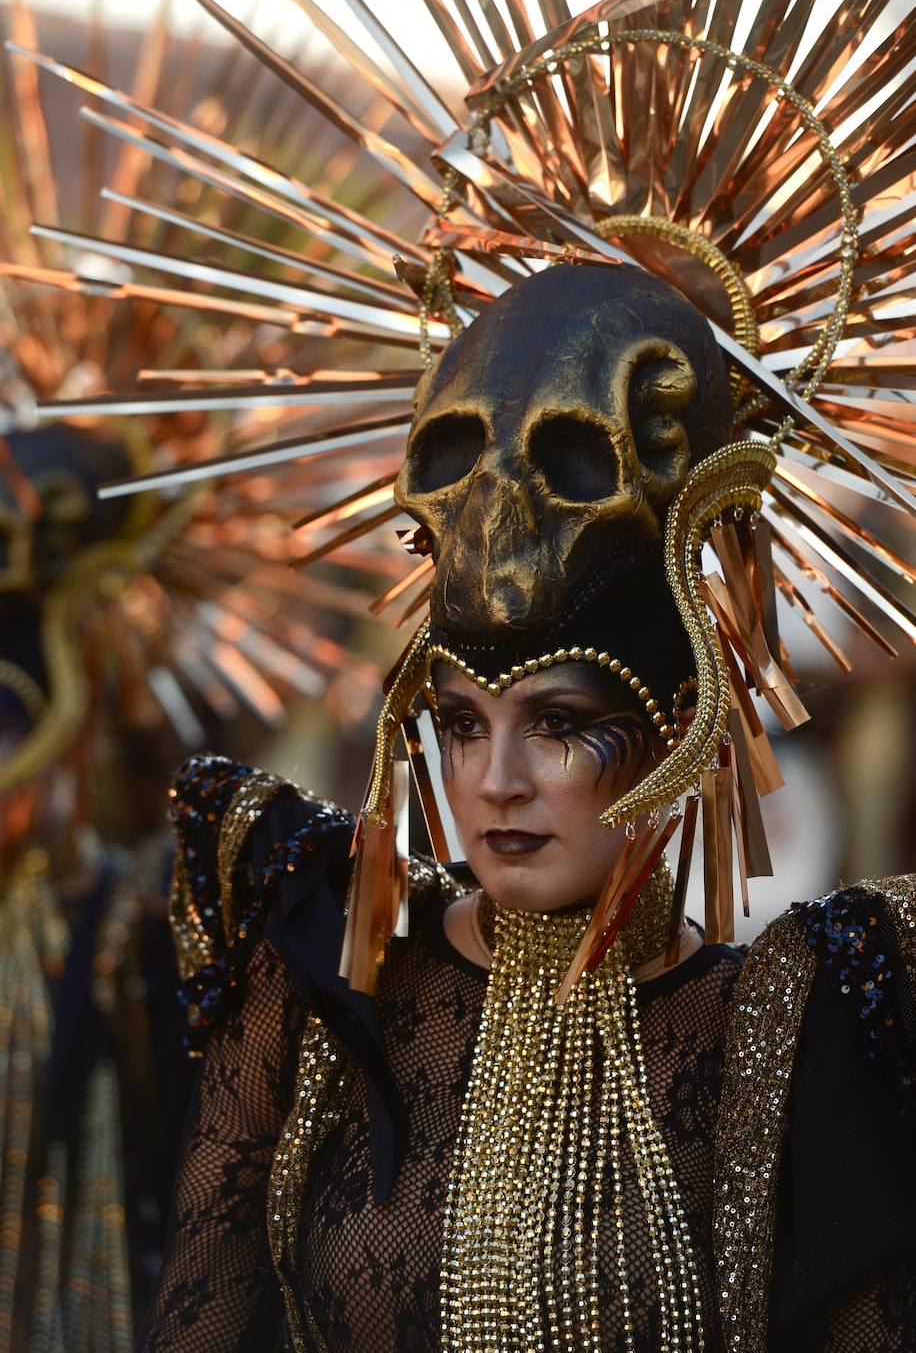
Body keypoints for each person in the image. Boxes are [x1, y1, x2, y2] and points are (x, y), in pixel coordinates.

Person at [141, 265, 916, 1353]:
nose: (494, 779)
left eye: (555, 724)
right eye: (459, 724)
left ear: (680, 724)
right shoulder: (325, 965)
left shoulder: (787, 1034)